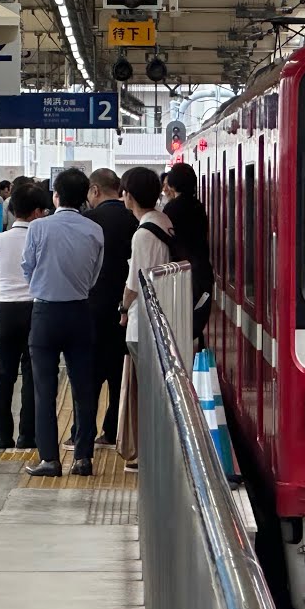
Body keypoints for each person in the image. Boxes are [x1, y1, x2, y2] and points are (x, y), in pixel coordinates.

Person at [21, 168, 104, 478]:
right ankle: (83, 458)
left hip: (45, 314)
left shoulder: (38, 228)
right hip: (81, 312)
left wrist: (43, 284)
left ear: (56, 196)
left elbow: (27, 268)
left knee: (45, 390)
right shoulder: (94, 230)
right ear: (85, 196)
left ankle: (50, 460)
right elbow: (94, 275)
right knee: (84, 389)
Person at [64, 169, 137, 448]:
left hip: (91, 308)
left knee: (88, 375)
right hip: (126, 310)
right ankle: (114, 432)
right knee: (120, 373)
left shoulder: (87, 220)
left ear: (94, 190)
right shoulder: (134, 219)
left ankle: (81, 433)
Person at [119, 167, 175, 472]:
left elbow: (135, 282)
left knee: (146, 392)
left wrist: (123, 308)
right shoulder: (163, 222)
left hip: (146, 322)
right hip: (163, 314)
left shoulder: (143, 233)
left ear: (129, 195)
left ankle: (146, 452)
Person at [0, 186, 49, 450]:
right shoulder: (41, 238)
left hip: (5, 310)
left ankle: (2, 436)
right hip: (34, 309)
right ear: (37, 212)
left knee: (3, 374)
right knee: (31, 373)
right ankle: (28, 435)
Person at [161, 163, 214, 346]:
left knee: (180, 326)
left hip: (182, 274)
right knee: (194, 323)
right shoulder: (198, 207)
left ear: (173, 185)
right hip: (201, 270)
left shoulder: (171, 209)